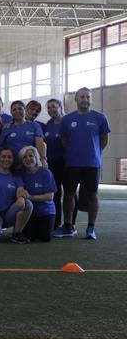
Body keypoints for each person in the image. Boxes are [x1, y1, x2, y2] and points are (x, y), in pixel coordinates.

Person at [58, 87, 110, 240]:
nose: (85, 100)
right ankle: (68, 225)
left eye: (88, 97)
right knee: (68, 194)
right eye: (82, 97)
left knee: (93, 195)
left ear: (91, 99)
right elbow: (64, 141)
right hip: (72, 164)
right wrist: (76, 152)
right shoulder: (67, 119)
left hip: (92, 164)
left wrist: (93, 153)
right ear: (76, 99)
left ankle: (91, 228)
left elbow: (104, 141)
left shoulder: (100, 118)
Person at [44, 98, 75, 233]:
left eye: (53, 106)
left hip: (67, 163)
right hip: (52, 164)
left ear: (60, 107)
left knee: (70, 193)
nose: (51, 109)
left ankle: (70, 224)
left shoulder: (67, 122)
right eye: (49, 107)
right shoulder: (48, 124)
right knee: (55, 194)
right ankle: (56, 224)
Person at [19, 146, 56, 242]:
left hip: (46, 212)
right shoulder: (21, 175)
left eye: (31, 156)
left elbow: (49, 196)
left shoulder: (46, 173)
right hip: (29, 213)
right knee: (29, 237)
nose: (28, 159)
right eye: (24, 157)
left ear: (36, 158)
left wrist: (31, 197)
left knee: (45, 238)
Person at [0, 100, 46, 167]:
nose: (17, 111)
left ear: (25, 110)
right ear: (11, 112)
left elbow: (40, 144)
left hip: (31, 165)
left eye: (20, 109)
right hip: (12, 166)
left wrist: (43, 159)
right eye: (14, 109)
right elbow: (1, 148)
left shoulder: (35, 126)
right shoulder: (6, 128)